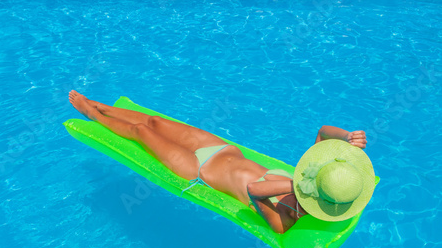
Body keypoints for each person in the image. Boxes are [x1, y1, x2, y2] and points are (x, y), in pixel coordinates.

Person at [69, 90, 375, 234]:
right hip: (221, 149)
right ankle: (102, 105)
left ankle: (92, 114)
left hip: (197, 169)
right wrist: (346, 138)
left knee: (140, 131)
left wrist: (299, 186)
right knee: (155, 121)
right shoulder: (312, 177)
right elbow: (323, 132)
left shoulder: (288, 218)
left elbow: (256, 190)